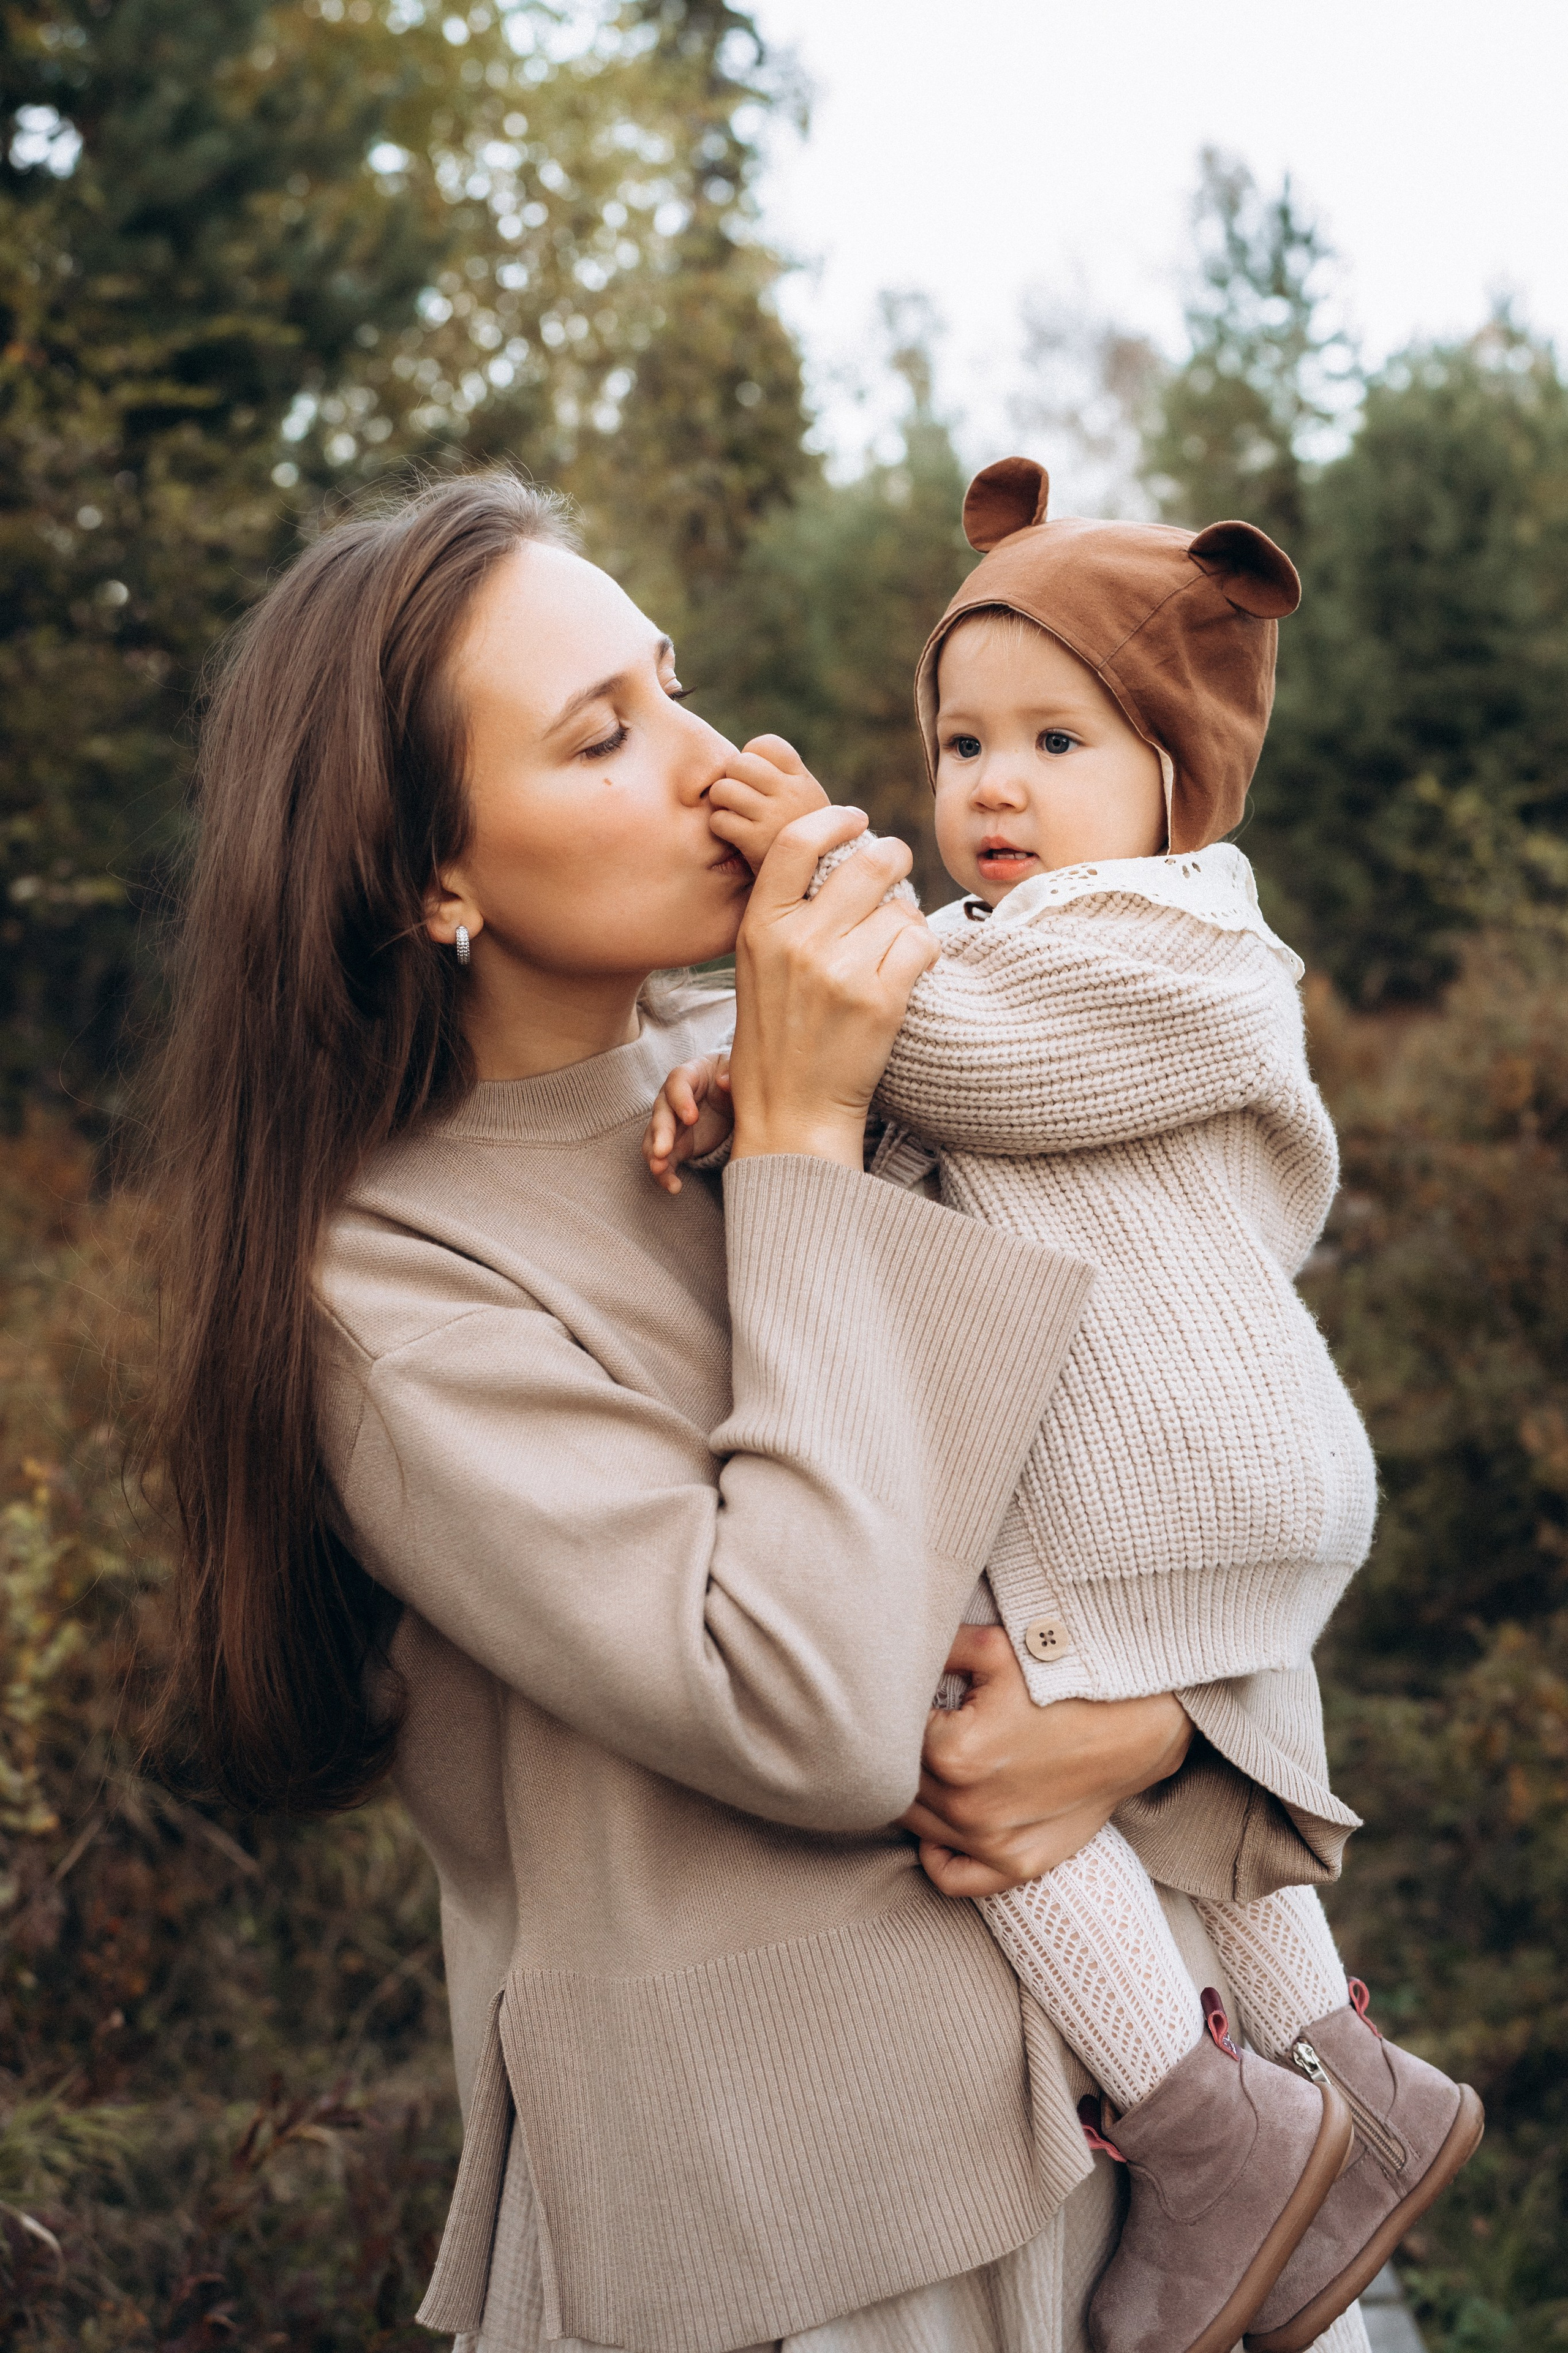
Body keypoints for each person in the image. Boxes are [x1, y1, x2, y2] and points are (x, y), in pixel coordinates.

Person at [144, 470, 1359, 2353]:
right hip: (803, 2258)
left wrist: (1162, 1728)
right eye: (603, 735)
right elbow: (798, 1703)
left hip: (1150, 2177)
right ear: (426, 875)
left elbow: (1186, 1442)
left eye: (677, 683)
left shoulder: (812, 1051)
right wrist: (797, 1141)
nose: (713, 759)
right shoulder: (389, 1290)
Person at [644, 458, 1484, 2353]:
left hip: (1178, 1451)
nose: (989, 785)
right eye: (958, 741)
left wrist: (807, 871)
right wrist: (742, 1080)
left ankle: (1211, 2141)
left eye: (1054, 739)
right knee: (1177, 1803)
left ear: (1176, 780)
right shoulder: (1010, 940)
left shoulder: (1187, 943)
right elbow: (868, 1077)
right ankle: (1351, 2081)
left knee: (974, 1751)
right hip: (1193, 1460)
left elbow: (945, 1055)